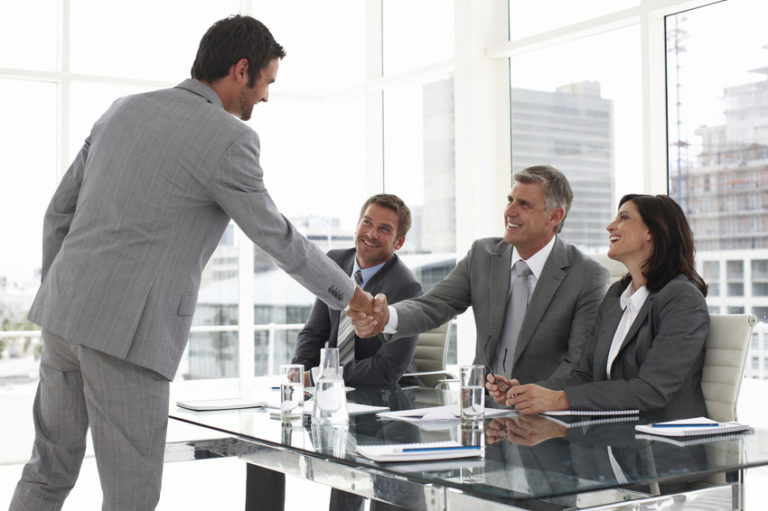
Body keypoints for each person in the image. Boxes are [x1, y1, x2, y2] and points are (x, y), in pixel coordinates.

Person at [9, 15, 374, 511]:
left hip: (63, 316)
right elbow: (277, 237)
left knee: (48, 469)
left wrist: (65, 290)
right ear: (240, 70)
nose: (266, 97)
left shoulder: (121, 110)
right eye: (266, 81)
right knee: (131, 494)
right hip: (128, 337)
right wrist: (351, 295)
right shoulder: (229, 139)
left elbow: (58, 213)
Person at [351, 165, 610, 386]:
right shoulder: (483, 255)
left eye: (524, 204)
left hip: (544, 415)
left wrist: (537, 397)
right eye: (510, 200)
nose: (510, 212)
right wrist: (387, 316)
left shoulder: (587, 276)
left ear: (555, 216)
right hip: (483, 407)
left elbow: (579, 363)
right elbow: (435, 305)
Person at [246, 193, 423, 511]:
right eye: (367, 222)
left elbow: (387, 372)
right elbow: (314, 331)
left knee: (367, 473)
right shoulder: (335, 262)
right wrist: (300, 372)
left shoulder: (405, 287)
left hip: (383, 411)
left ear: (399, 243)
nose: (371, 233)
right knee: (262, 446)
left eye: (384, 229)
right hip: (331, 401)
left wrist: (323, 378)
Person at [490, 194, 710, 421]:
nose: (610, 226)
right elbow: (584, 375)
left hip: (665, 446)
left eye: (623, 218)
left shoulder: (682, 299)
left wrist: (560, 400)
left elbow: (652, 390)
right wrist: (528, 393)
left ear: (651, 231)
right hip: (615, 438)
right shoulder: (616, 296)